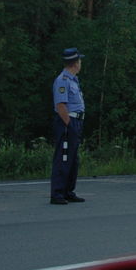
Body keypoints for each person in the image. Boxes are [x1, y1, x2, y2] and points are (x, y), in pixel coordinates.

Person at [50, 47, 87, 205]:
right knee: (64, 157)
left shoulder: (73, 80)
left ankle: (68, 191)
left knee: (73, 159)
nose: (80, 63)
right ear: (74, 63)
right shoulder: (63, 80)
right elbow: (61, 106)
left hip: (75, 121)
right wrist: (70, 125)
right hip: (67, 122)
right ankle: (57, 193)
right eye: (79, 60)